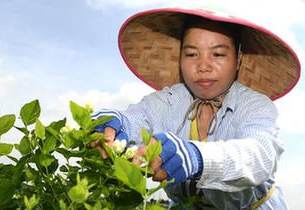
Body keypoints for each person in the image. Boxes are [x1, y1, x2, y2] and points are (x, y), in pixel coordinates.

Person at [91, 7, 300, 210]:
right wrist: (112, 123)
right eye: (191, 54)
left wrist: (196, 156)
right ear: (180, 59)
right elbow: (136, 118)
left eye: (218, 54)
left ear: (238, 60)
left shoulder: (254, 105)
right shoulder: (170, 101)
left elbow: (260, 154)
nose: (203, 66)